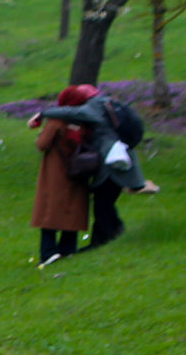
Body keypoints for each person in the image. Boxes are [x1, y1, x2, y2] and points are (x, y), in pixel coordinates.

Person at [32, 86, 161, 249]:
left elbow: (72, 114)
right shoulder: (107, 103)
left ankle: (103, 239)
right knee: (104, 201)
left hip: (111, 162)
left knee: (102, 202)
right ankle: (110, 233)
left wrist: (44, 113)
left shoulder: (94, 107)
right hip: (119, 156)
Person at [29, 84, 92, 267]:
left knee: (50, 210)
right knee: (72, 210)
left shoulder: (56, 122)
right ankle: (68, 248)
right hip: (77, 170)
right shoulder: (83, 121)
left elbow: (42, 144)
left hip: (55, 172)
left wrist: (39, 133)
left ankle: (48, 252)